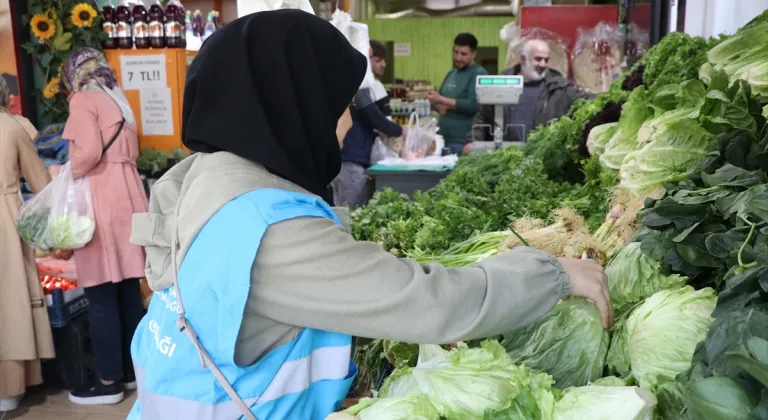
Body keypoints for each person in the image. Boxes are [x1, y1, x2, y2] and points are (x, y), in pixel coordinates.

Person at [128, 10, 612, 420]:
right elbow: (430, 303)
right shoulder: (267, 231)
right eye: (339, 106)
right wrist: (552, 274)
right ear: (294, 107)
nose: (345, 123)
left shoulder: (205, 180)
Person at [59, 48, 148, 405]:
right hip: (128, 196)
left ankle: (108, 380)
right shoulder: (118, 99)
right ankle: (130, 371)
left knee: (99, 293)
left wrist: (66, 172)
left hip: (100, 199)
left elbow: (87, 152)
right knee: (127, 289)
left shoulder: (83, 99)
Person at [0, 77, 55, 413]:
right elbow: (41, 184)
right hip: (6, 218)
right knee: (10, 300)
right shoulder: (12, 128)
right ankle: (10, 386)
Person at [466, 39, 593, 150]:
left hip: (542, 160)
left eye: (546, 60)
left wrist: (609, 97)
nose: (543, 64)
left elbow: (586, 99)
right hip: (505, 159)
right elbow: (483, 116)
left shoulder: (558, 87)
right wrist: (472, 141)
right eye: (538, 59)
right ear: (523, 59)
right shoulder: (503, 82)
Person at [332, 45, 404, 208]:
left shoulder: (345, 82)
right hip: (351, 158)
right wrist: (398, 130)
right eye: (372, 57)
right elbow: (373, 116)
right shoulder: (356, 86)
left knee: (343, 207)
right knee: (350, 210)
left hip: (347, 157)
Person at [427, 33, 487, 156]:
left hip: (463, 143)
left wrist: (442, 100)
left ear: (473, 54)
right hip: (443, 140)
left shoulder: (479, 74)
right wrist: (437, 105)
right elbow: (440, 102)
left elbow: (473, 105)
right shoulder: (451, 74)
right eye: (456, 52)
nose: (458, 57)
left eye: (463, 54)